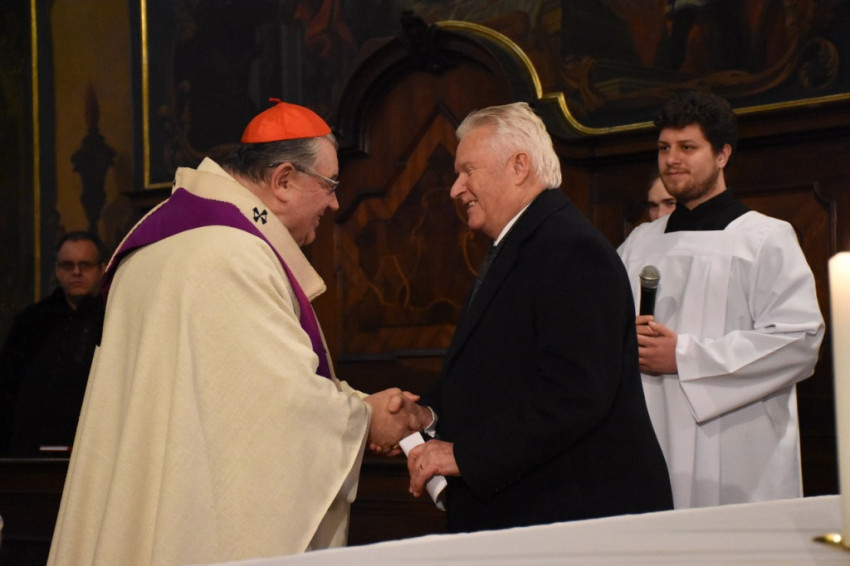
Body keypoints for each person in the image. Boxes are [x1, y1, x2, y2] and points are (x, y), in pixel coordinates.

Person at [48, 100, 428, 566]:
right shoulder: (233, 254)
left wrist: (358, 405)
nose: (334, 203)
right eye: (329, 184)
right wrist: (369, 418)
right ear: (283, 180)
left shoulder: (162, 244)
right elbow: (283, 410)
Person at [406, 102, 673, 533]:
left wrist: (464, 456)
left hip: (574, 518)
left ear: (519, 166)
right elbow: (500, 371)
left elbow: (575, 392)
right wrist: (424, 414)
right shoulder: (529, 242)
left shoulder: (569, 248)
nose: (456, 189)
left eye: (468, 170)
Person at [617, 90, 824, 508]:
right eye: (664, 148)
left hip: (737, 445)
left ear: (723, 154)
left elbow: (799, 341)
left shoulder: (764, 238)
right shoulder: (640, 242)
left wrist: (684, 357)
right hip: (650, 436)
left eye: (687, 147)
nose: (672, 159)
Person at [0, 230, 105, 457]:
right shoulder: (31, 321)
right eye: (67, 265)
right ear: (57, 270)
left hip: (94, 449)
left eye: (85, 265)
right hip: (30, 453)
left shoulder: (114, 319)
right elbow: (7, 386)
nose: (76, 272)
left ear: (102, 269)